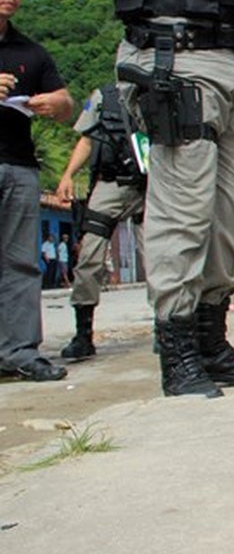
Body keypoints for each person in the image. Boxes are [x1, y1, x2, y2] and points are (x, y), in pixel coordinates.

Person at [98, 0, 234, 397]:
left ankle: (209, 337)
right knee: (184, 207)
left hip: (228, 63)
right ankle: (177, 350)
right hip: (173, 56)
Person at [0, 0, 75, 382]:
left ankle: (20, 351)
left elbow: (67, 106)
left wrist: (57, 103)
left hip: (18, 165)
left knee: (21, 263)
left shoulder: (30, 50)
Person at [56, 84, 147, 361]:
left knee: (160, 259)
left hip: (151, 187)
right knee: (89, 257)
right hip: (109, 183)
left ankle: (170, 331)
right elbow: (87, 139)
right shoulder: (104, 97)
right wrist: (68, 175)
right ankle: (83, 334)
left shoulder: (159, 92)